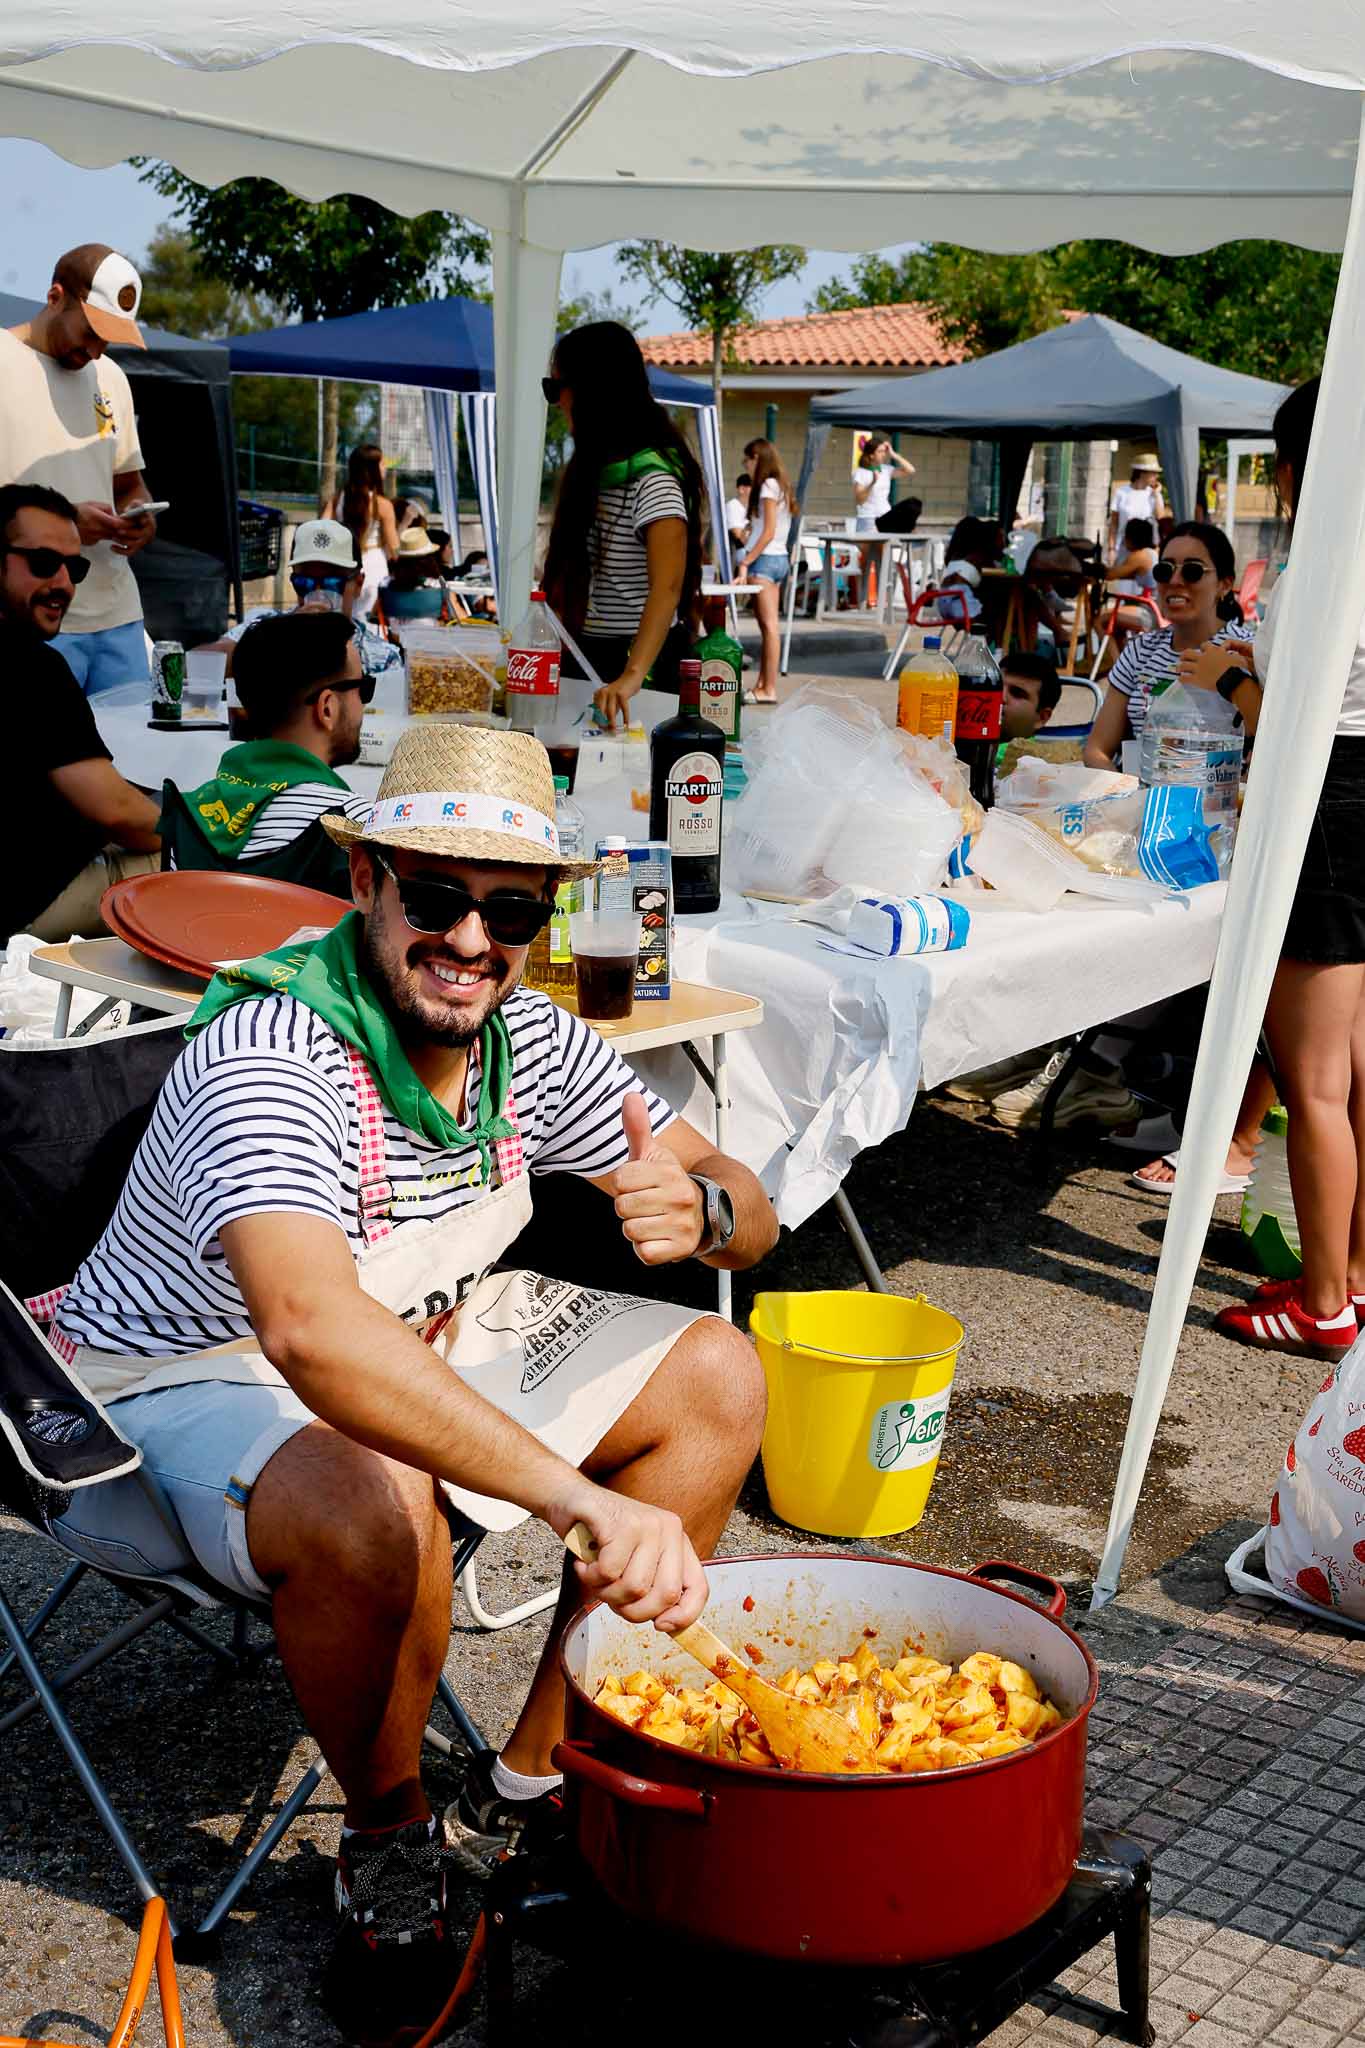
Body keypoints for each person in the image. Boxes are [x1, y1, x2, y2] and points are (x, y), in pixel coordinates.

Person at [51, 723, 775, 2046]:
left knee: (718, 1373)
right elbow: (308, 1333)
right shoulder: (273, 1054)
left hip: (426, 1319)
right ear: (372, 881)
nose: (469, 939)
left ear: (545, 918)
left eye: (508, 908)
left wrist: (708, 1212)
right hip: (173, 1371)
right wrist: (577, 1500)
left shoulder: (531, 1042)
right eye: (435, 895)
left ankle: (533, 1785)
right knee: (377, 1494)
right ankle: (386, 1841)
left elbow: (754, 1203)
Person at [1192, 377, 1365, 1358]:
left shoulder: (1320, 568)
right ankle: (1352, 1280)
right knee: (1359, 1076)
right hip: (1362, 797)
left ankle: (1326, 1302)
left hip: (1329, 804)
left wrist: (1233, 677)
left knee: (1316, 1078)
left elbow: (1286, 720)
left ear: (1299, 470)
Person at [0, 483, 160, 942]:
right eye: (44, 564)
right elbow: (118, 813)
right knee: (195, 857)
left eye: (76, 567)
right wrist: (198, 836)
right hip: (25, 906)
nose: (64, 584)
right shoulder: (31, 666)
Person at [0, 244, 159, 697]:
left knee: (133, 758)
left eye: (109, 339)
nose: (96, 349)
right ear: (55, 296)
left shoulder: (111, 378)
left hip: (118, 616)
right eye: (90, 331)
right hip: (30, 620)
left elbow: (129, 483)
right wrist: (68, 523)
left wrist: (139, 513)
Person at [542, 321, 705, 729]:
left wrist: (632, 675)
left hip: (644, 665)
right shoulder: (593, 471)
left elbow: (666, 588)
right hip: (588, 654)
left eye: (555, 388)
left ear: (591, 390)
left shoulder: (654, 478)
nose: (556, 403)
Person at [165, 610, 373, 877]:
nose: (364, 704)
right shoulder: (355, 825)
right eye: (364, 688)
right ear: (327, 708)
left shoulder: (188, 817)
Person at [1084, 523, 1249, 768]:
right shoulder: (1139, 652)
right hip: (1143, 800)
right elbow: (1097, 750)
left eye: (1192, 571)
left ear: (1224, 584)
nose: (1174, 580)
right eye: (1164, 570)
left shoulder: (1248, 652)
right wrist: (1126, 799)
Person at [200, 519, 403, 685]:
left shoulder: (382, 658)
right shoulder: (266, 628)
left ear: (358, 585)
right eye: (304, 582)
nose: (317, 592)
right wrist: (280, 640)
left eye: (332, 582)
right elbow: (195, 665)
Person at [734, 437, 796, 706]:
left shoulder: (769, 486)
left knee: (769, 627)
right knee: (766, 626)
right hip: (778, 558)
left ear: (758, 459)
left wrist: (746, 560)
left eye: (748, 459)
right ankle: (762, 684)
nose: (745, 465)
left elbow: (769, 531)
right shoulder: (779, 485)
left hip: (767, 560)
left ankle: (768, 687)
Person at [326, 443, 398, 620]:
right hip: (374, 568)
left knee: (343, 619)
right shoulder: (383, 505)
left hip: (342, 566)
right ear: (371, 469)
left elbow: (321, 530)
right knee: (368, 622)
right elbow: (394, 549)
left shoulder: (337, 499)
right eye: (382, 464)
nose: (385, 468)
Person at [1102, 516, 1159, 650]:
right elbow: (1130, 575)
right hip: (1154, 607)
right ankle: (1121, 659)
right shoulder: (1151, 553)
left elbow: (1110, 575)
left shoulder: (1138, 556)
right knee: (1118, 627)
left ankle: (1116, 666)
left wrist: (1095, 569)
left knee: (1101, 621)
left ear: (1131, 537)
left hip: (1149, 612)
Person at [1108, 457, 1166, 556]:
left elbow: (1160, 517)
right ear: (1142, 473)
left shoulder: (1155, 494)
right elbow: (1114, 524)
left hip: (1147, 549)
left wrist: (1156, 495)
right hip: (1123, 548)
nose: (1157, 476)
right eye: (1153, 473)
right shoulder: (1121, 493)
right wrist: (1111, 549)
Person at [1000, 650, 1062, 741]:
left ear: (1041, 717)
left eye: (1017, 693)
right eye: (996, 687)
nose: (1001, 697)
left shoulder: (1042, 755)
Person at [725, 472, 752, 552]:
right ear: (741, 489)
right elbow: (739, 540)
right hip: (741, 552)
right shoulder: (732, 506)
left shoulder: (753, 507)